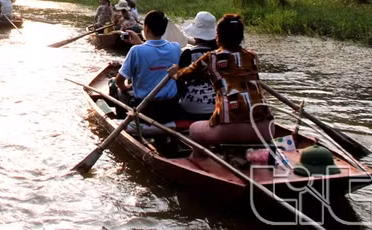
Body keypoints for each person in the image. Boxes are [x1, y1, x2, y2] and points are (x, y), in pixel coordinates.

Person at [170, 14, 274, 145]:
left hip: (231, 128)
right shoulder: (253, 56)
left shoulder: (211, 58)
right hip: (267, 128)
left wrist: (175, 71)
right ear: (241, 37)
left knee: (193, 130)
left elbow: (181, 75)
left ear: (218, 36)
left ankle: (198, 155)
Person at [113, 10, 181, 123]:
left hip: (145, 109)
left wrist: (126, 88)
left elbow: (119, 81)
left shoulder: (136, 51)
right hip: (170, 108)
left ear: (146, 28)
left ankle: (124, 122)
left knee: (116, 89)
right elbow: (154, 53)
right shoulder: (176, 47)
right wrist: (141, 43)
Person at [177, 11, 218, 120]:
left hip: (192, 108)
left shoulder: (188, 54)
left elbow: (179, 82)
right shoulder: (221, 54)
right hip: (219, 107)